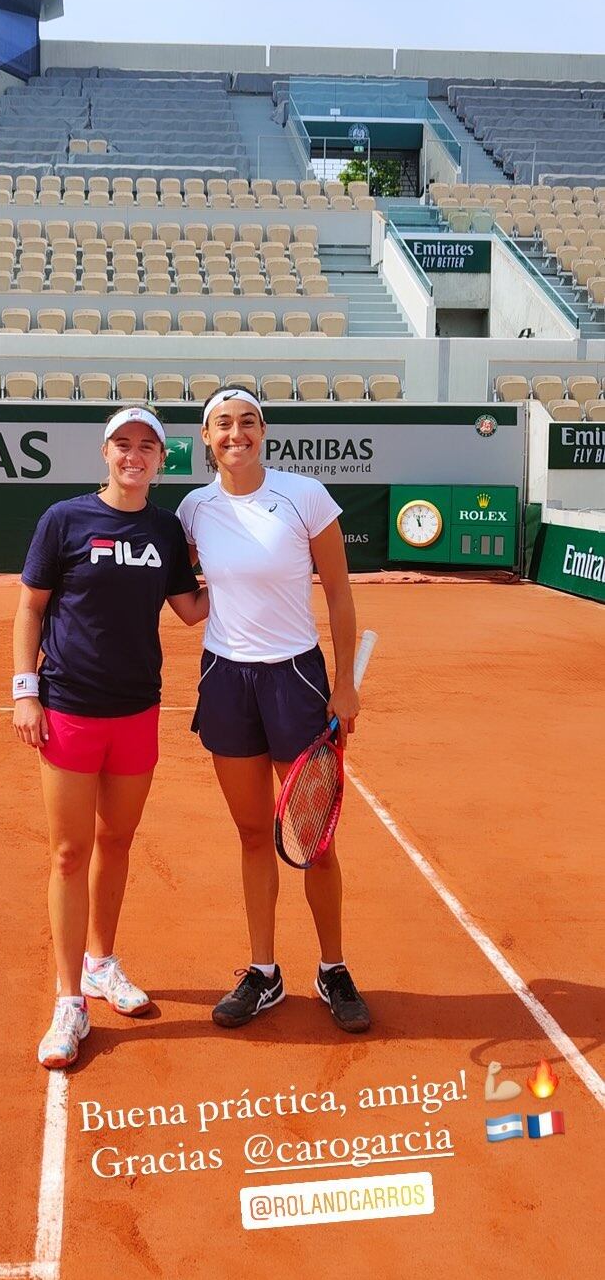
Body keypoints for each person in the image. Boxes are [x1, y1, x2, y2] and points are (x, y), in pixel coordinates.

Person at [13, 408, 208, 1069]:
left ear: (161, 459)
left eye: (147, 446)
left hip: (136, 712)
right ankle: (70, 1000)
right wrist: (24, 691)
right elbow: (31, 609)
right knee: (69, 854)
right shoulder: (64, 520)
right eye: (123, 444)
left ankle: (101, 963)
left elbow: (190, 611)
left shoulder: (164, 528)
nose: (135, 455)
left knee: (116, 842)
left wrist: (258, 572)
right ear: (106, 453)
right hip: (68, 708)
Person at [177, 389, 370, 1034]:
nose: (237, 434)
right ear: (206, 438)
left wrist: (344, 686)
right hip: (225, 680)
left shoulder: (304, 496)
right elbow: (188, 598)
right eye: (223, 425)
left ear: (264, 432)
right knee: (256, 834)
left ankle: (333, 967)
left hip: (296, 679)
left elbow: (340, 595)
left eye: (249, 422)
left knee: (314, 840)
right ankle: (264, 974)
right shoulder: (192, 509)